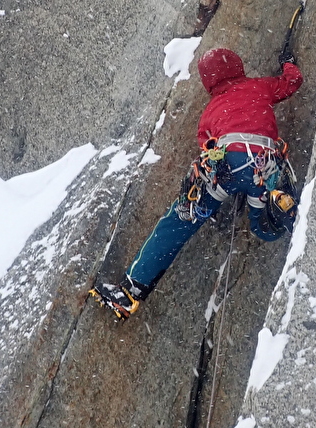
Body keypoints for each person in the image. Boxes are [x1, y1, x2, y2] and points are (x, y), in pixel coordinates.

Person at [92, 46, 302, 319]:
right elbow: (291, 84)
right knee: (262, 225)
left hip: (224, 165)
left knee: (178, 221)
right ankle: (280, 213)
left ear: (208, 82)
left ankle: (132, 289)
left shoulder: (211, 110)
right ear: (238, 68)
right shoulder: (259, 87)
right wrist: (288, 64)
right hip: (264, 162)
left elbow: (206, 145)